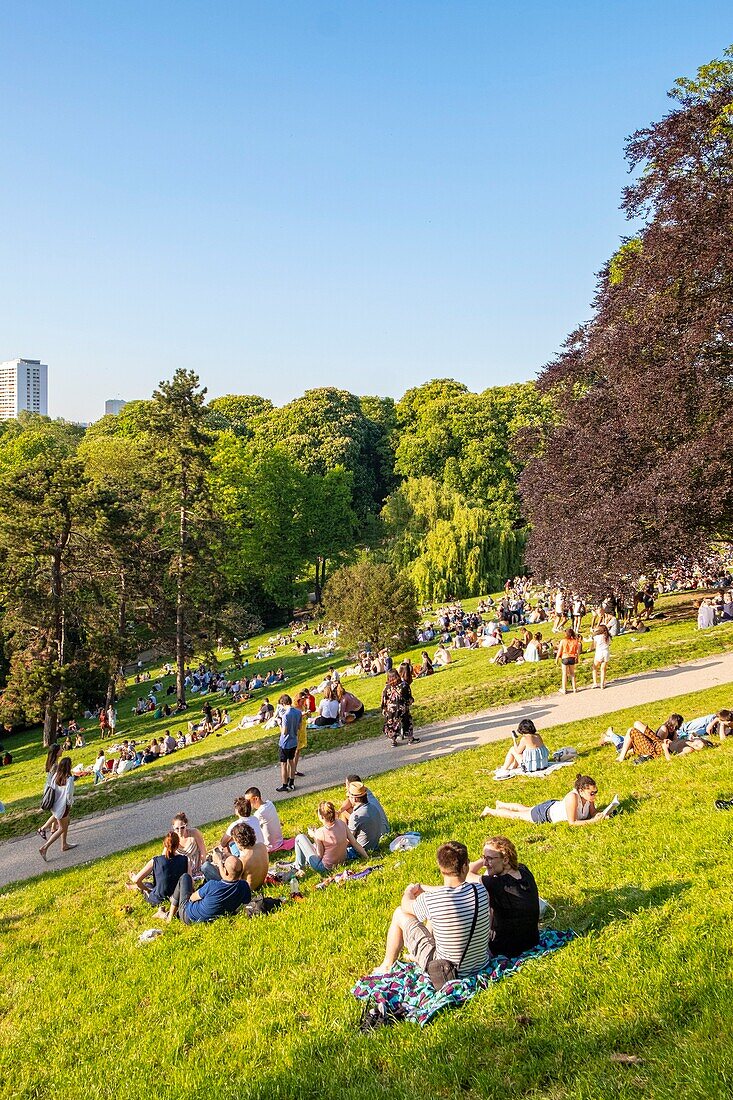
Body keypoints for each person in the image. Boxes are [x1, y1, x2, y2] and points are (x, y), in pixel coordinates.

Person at [372, 840, 491, 977]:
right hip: (480, 964)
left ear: (440, 867)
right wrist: (424, 888)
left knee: (399, 913)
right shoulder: (480, 890)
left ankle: (386, 965)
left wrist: (409, 891)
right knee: (434, 917)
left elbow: (406, 905)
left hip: (446, 971)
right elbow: (452, 890)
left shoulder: (433, 901)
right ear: (465, 867)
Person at [467, 835, 540, 958]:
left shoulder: (496, 884)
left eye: (489, 859)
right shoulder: (524, 870)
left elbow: (467, 873)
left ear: (505, 860)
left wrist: (483, 860)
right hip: (531, 941)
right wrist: (490, 856)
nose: (485, 863)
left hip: (504, 948)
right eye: (484, 858)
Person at [480, 774, 605, 825]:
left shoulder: (589, 798)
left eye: (595, 792)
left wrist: (601, 814)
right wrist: (593, 821)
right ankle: (490, 810)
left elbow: (592, 812)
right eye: (592, 793)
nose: (594, 795)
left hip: (552, 806)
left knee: (527, 809)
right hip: (544, 814)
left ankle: (501, 804)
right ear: (581, 791)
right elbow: (572, 823)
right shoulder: (573, 797)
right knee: (517, 815)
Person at [166, 855, 250, 924]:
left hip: (188, 916)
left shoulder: (212, 885)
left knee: (185, 877)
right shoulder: (244, 886)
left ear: (226, 871)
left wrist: (219, 864)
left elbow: (191, 898)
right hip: (209, 918)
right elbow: (246, 901)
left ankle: (170, 916)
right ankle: (171, 905)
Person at [293, 800, 368, 876]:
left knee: (300, 837)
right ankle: (298, 865)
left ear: (321, 817)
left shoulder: (320, 833)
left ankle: (298, 867)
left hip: (324, 868)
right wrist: (367, 857)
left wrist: (314, 836)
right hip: (342, 862)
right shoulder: (341, 823)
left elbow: (319, 856)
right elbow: (354, 843)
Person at [127, 830, 188, 910]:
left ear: (164, 844)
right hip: (176, 896)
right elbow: (190, 880)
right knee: (152, 884)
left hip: (158, 899)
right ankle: (137, 887)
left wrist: (147, 890)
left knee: (147, 885)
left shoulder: (156, 861)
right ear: (178, 845)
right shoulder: (185, 859)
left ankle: (138, 888)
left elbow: (137, 880)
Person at [39, 757, 76, 860]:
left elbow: (51, 788)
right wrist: (70, 804)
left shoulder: (56, 776)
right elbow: (69, 795)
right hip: (63, 806)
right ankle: (44, 848)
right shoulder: (69, 779)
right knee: (62, 828)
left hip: (55, 805)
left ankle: (64, 844)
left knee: (66, 822)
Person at [615, 713, 684, 762]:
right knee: (635, 725)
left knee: (632, 729)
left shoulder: (672, 731)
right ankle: (625, 753)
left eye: (676, 727)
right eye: (672, 726)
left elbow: (660, 745)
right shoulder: (664, 729)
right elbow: (657, 742)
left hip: (651, 748)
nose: (673, 728)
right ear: (669, 722)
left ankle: (622, 755)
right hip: (652, 745)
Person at [381, 669, 419, 747]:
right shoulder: (404, 685)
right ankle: (410, 739)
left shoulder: (386, 687)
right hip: (402, 708)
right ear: (397, 675)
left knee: (392, 724)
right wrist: (410, 702)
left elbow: (384, 699)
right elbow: (409, 697)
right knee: (407, 722)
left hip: (391, 710)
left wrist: (384, 709)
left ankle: (393, 741)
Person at [347, 782, 388, 853]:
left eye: (349, 797)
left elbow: (349, 841)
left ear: (355, 799)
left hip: (359, 851)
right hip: (375, 846)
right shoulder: (373, 808)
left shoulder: (356, 815)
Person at [244, 786, 285, 852]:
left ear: (256, 799)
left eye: (248, 801)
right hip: (279, 841)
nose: (247, 804)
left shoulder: (259, 813)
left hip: (269, 846)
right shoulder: (270, 803)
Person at [276, 694, 301, 792]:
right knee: (291, 761)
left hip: (285, 742)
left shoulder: (286, 715)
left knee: (283, 764)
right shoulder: (298, 712)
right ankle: (292, 782)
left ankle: (284, 784)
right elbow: (299, 727)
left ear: (283, 703)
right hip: (294, 741)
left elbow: (284, 732)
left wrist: (279, 723)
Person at [555, 628, 582, 694]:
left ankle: (564, 689)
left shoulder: (563, 641)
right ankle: (574, 688)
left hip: (565, 657)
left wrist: (557, 658)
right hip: (572, 657)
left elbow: (560, 650)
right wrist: (577, 658)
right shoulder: (575, 641)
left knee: (564, 674)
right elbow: (577, 651)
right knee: (572, 673)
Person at [591, 624, 611, 689]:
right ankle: (602, 684)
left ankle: (595, 683)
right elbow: (609, 644)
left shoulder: (597, 637)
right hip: (606, 652)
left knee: (594, 667)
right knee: (603, 669)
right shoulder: (608, 637)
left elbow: (593, 646)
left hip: (599, 652)